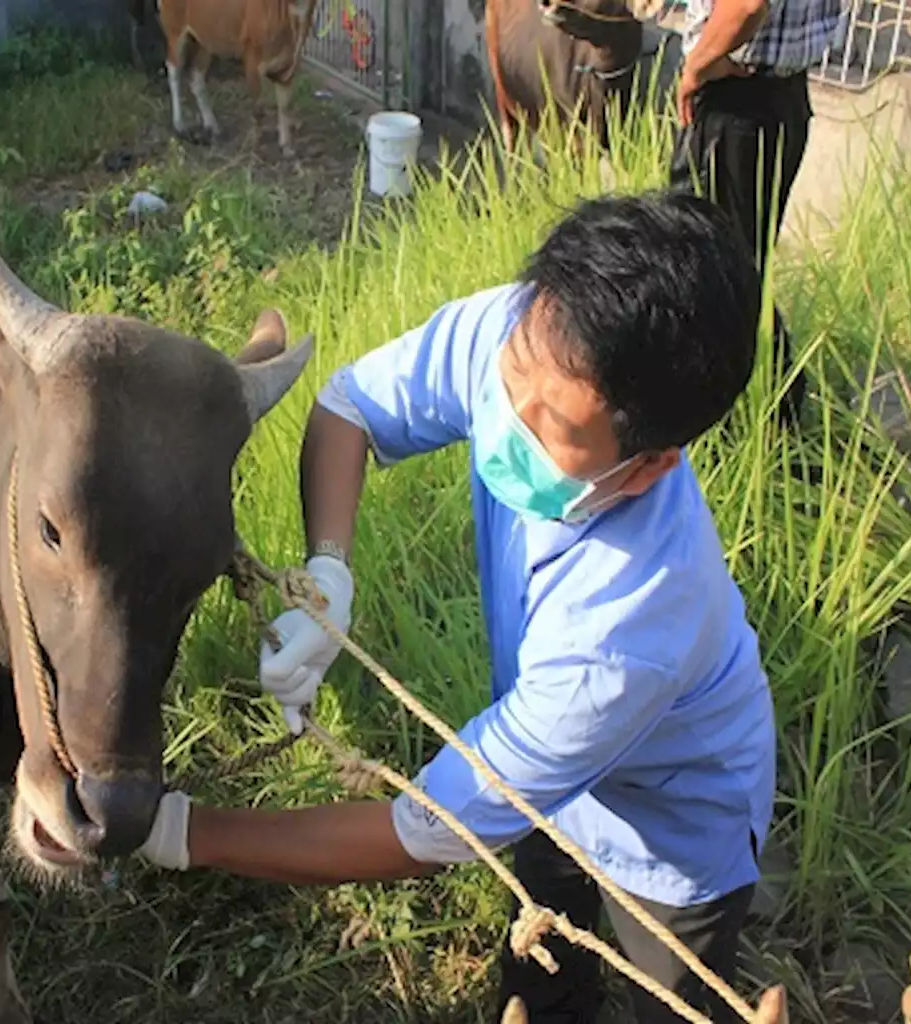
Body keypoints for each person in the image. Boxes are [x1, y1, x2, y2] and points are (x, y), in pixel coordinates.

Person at [136, 190, 778, 1024]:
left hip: (673, 835)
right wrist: (330, 572)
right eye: (515, 375)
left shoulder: (624, 634)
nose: (510, 414)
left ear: (651, 466)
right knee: (543, 950)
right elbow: (349, 407)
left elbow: (424, 834)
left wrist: (189, 833)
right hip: (550, 786)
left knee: (674, 994)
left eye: (553, 426)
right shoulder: (528, 334)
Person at [670, 0, 843, 429]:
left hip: (736, 99)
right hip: (780, 99)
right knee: (740, 263)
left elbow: (747, 5)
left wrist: (698, 64)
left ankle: (754, 419)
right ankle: (774, 414)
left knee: (706, 268)